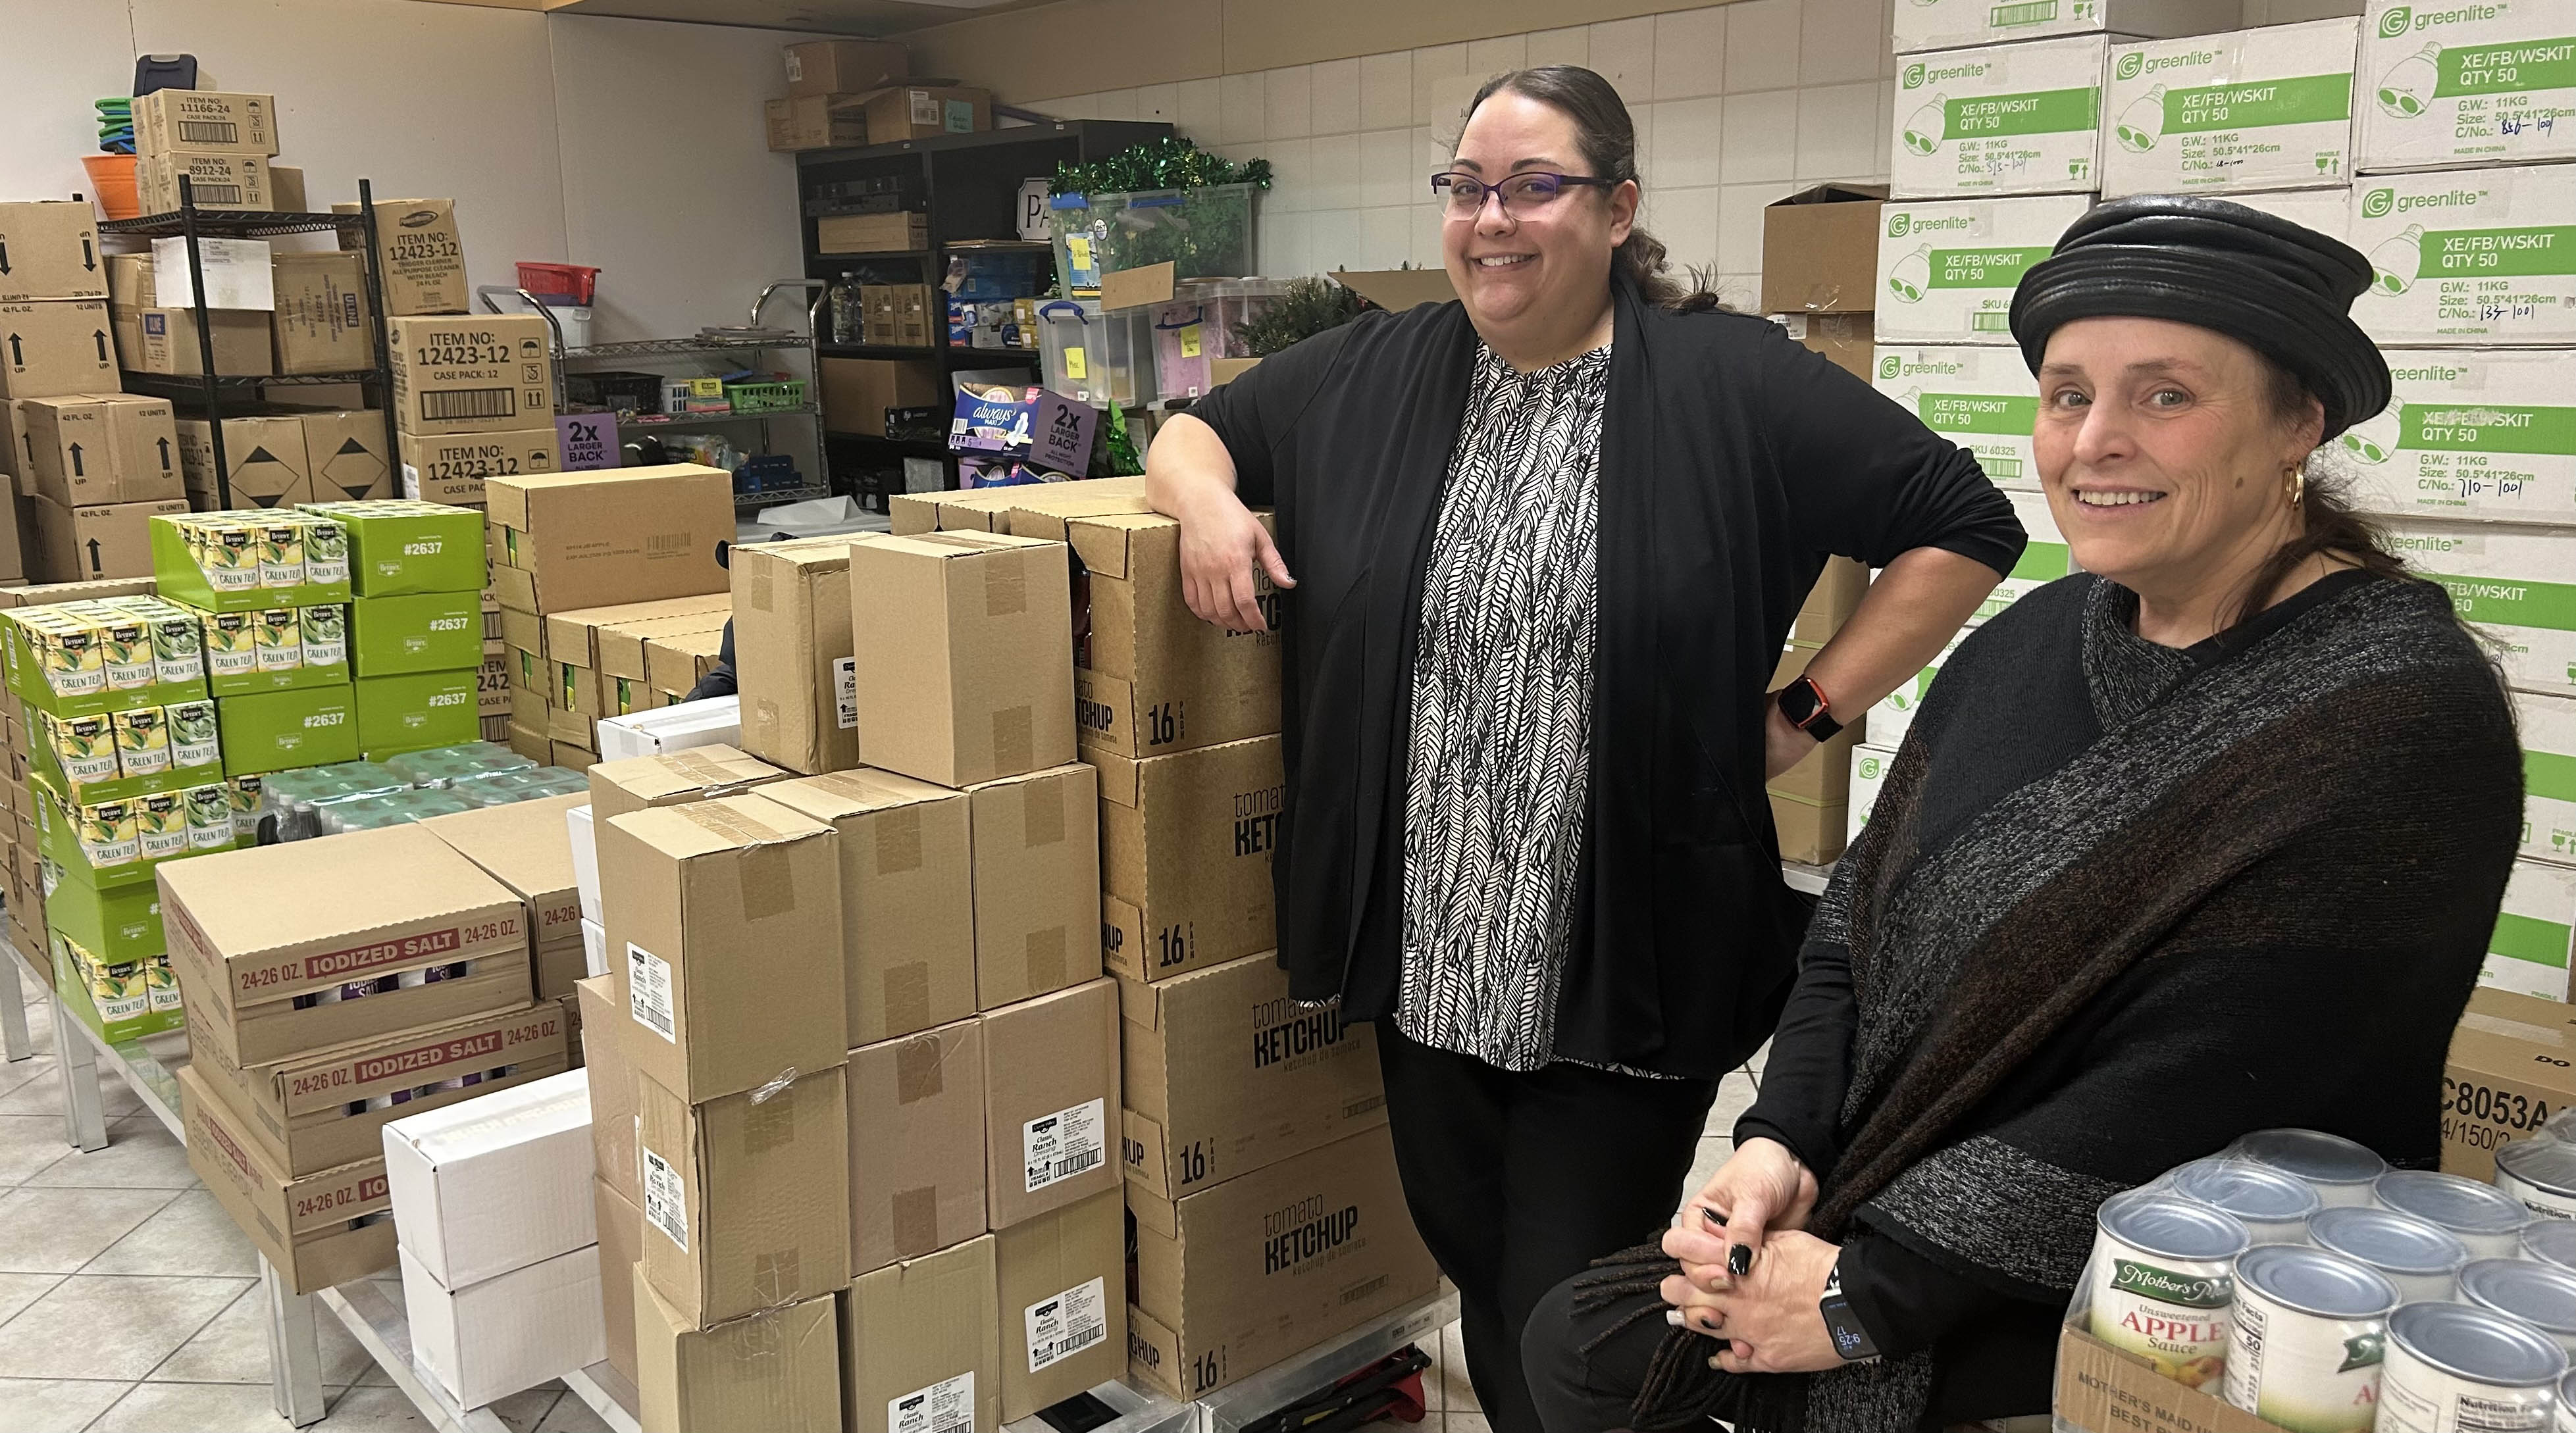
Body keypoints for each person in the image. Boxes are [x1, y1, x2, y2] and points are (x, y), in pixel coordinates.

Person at [1520, 195, 2523, 1433]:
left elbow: (2205, 1091)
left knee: (1615, 1360)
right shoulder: (2032, 639)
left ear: (2296, 425)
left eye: (2164, 396)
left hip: (2162, 1282)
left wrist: (1866, 1296)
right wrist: (1782, 1138)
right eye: (2066, 395)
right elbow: (1855, 921)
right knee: (1580, 1336)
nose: (2094, 440)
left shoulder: (2391, 707)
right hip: (1908, 1187)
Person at [1145, 65, 2027, 1433]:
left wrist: (1804, 713)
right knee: (1478, 1276)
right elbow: (1197, 427)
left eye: (1535, 187)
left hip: (1626, 961)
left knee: (1575, 1307)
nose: (1493, 219)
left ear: (1617, 209)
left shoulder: (1730, 385)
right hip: (1427, 950)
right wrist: (1204, 504)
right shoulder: (1374, 372)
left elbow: (1963, 522)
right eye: (1469, 188)